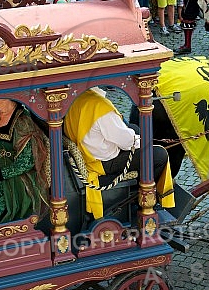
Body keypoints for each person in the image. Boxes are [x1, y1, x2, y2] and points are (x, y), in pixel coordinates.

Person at [63, 87, 174, 219]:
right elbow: (127, 142)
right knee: (159, 155)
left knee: (135, 128)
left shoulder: (80, 96)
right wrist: (142, 142)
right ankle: (142, 199)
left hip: (89, 151)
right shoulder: (101, 108)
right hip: (103, 163)